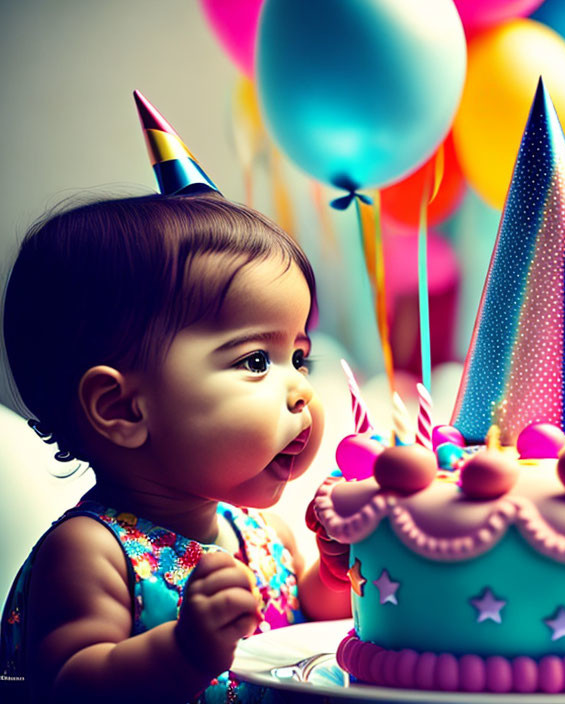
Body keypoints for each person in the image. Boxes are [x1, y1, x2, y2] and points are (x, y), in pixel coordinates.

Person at [0, 92, 350, 703]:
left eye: (299, 355)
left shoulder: (266, 535)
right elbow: (68, 684)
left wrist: (335, 569)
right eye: (256, 361)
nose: (301, 389)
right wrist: (184, 651)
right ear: (122, 409)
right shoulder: (92, 552)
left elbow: (312, 616)